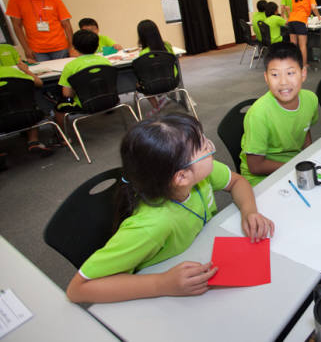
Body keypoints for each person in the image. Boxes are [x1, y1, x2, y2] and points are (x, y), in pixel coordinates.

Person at [65, 114, 274, 303]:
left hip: (196, 254)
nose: (210, 149)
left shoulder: (197, 176)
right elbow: (77, 290)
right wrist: (162, 284)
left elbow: (236, 181)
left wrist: (249, 210)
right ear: (181, 177)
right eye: (204, 148)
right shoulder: (152, 225)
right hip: (159, 295)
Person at [240, 42, 318, 186]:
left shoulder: (310, 99)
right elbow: (255, 166)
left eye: (290, 73)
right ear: (266, 78)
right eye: (275, 74)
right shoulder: (258, 114)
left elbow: (305, 130)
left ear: (303, 74)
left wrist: (307, 159)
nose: (283, 82)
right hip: (263, 178)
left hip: (294, 164)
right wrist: (294, 167)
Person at [6, 0, 73, 62]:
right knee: (43, 74)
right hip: (36, 50)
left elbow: (66, 25)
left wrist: (71, 46)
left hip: (60, 47)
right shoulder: (16, 0)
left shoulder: (55, 1)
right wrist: (26, 48)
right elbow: (16, 26)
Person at [54, 30, 112, 130]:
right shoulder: (105, 61)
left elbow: (67, 94)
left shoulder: (70, 66)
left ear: (74, 47)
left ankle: (64, 137)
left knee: (58, 108)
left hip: (85, 103)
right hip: (109, 99)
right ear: (97, 46)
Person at [0, 60, 53, 162]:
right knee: (29, 102)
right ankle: (34, 141)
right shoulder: (13, 71)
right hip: (29, 115)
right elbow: (39, 83)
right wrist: (26, 70)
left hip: (2, 121)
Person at [287, 0, 320, 68]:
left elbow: (293, 9)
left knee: (293, 45)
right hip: (300, 21)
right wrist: (319, 17)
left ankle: (293, 64)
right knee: (302, 46)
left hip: (291, 21)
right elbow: (313, 8)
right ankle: (304, 64)